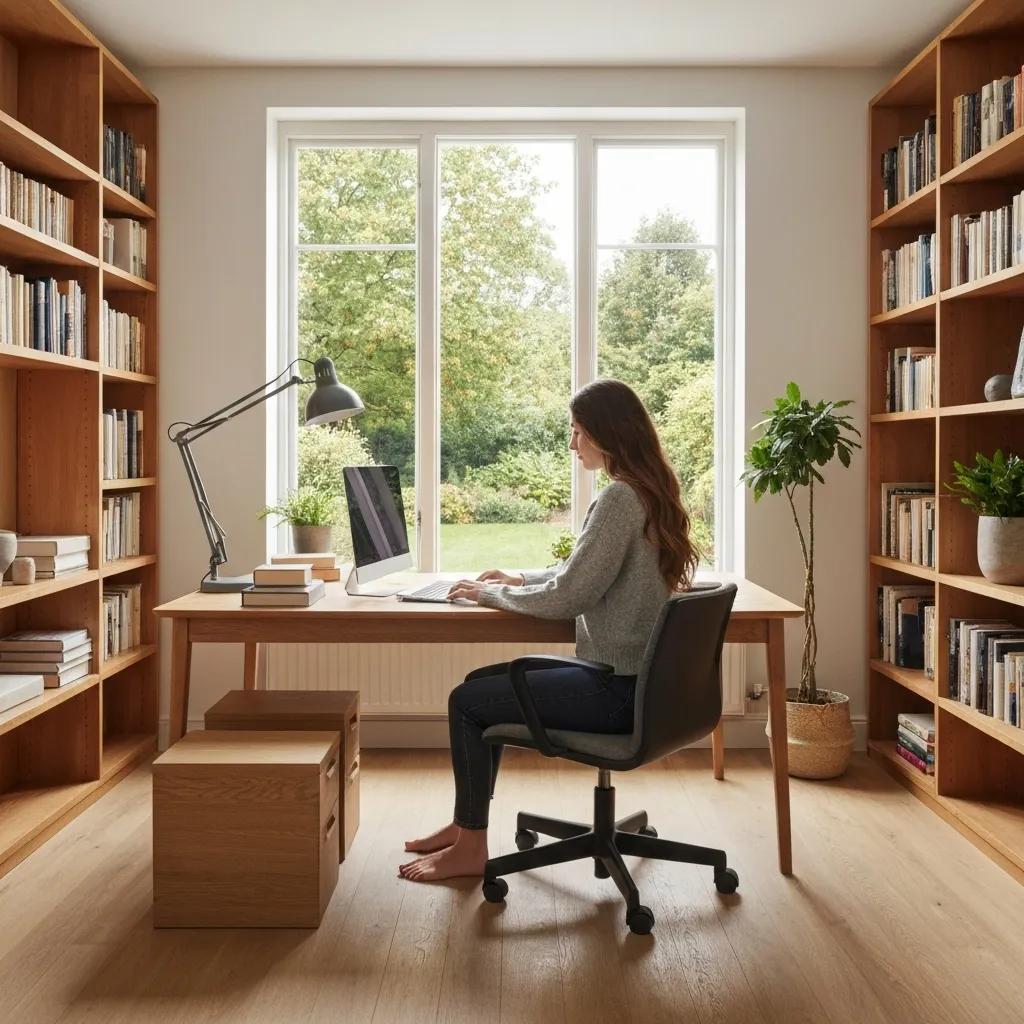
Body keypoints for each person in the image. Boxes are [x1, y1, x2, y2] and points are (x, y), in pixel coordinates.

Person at [399, 378, 700, 882]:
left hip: (616, 691)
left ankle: (471, 846)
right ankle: (463, 825)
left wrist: (489, 594)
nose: (572, 443)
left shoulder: (619, 500)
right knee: (478, 687)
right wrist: (519, 578)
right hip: (645, 690)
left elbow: (571, 596)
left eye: (578, 431)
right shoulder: (650, 493)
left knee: (467, 702)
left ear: (607, 435)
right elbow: (589, 573)